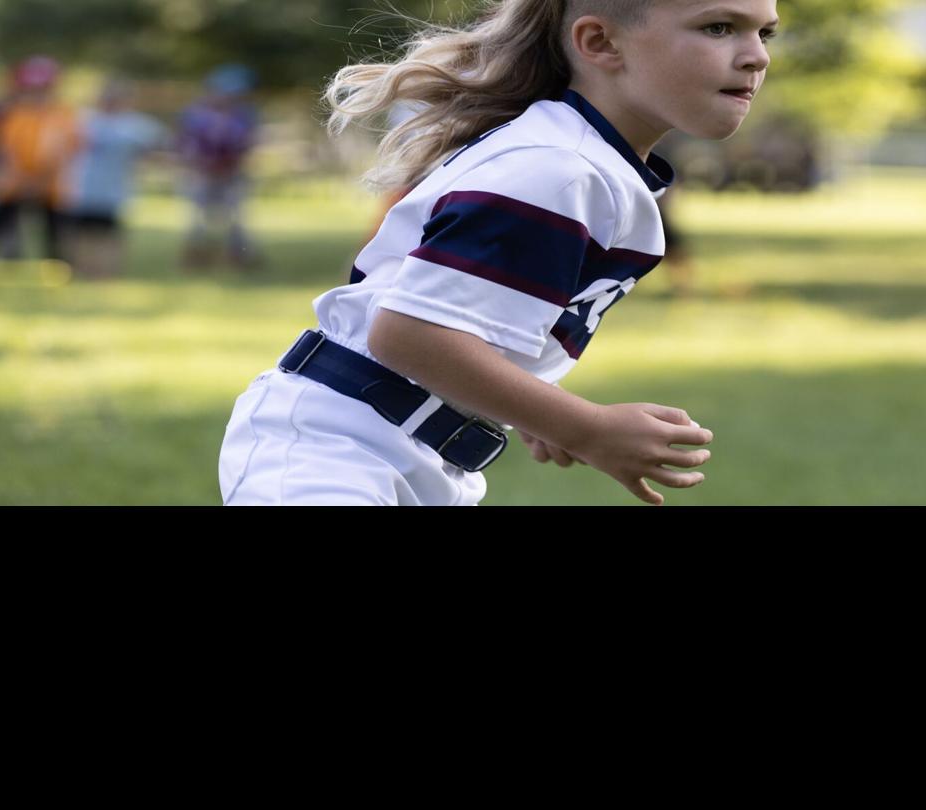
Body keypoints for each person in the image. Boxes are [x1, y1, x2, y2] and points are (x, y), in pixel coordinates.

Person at [218, 0, 777, 505]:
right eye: (718, 27)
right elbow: (410, 333)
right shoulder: (557, 169)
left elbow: (473, 321)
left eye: (765, 34)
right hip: (336, 449)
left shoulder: (582, 163)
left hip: (408, 454)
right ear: (600, 43)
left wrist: (527, 405)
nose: (754, 57)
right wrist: (585, 427)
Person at [0, 56, 79, 262]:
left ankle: (59, 264)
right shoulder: (15, 115)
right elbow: (2, 149)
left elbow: (63, 151)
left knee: (55, 231)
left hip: (49, 184)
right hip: (14, 182)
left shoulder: (62, 116)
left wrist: (39, 179)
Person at [63, 79, 168, 279]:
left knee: (107, 235)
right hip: (80, 188)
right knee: (79, 235)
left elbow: (160, 147)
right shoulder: (83, 120)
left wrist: (146, 162)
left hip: (113, 190)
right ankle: (80, 272)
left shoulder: (135, 126)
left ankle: (105, 275)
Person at [178, 65, 261, 269]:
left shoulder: (242, 116)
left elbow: (246, 144)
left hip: (230, 174)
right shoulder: (196, 115)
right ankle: (196, 257)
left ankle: (239, 257)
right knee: (197, 219)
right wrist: (199, 164)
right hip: (202, 173)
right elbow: (186, 145)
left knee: (236, 218)